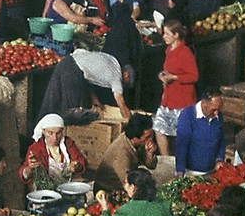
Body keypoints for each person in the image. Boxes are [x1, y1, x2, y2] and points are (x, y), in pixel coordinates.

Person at [152, 19, 197, 158]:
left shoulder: (185, 52)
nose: (163, 36)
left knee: (182, 136)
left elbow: (194, 76)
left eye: (166, 34)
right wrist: (164, 76)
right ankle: (166, 161)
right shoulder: (169, 50)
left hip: (182, 100)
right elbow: (169, 70)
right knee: (158, 128)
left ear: (176, 35)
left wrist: (174, 78)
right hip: (168, 98)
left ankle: (182, 164)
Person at [20, 113, 87, 190]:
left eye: (58, 133)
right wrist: (30, 168)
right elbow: (23, 174)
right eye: (50, 133)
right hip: (46, 190)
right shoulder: (36, 148)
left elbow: (80, 160)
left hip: (66, 186)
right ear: (44, 131)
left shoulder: (68, 143)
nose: (54, 137)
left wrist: (77, 166)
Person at [94, 115, 156, 194]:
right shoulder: (122, 152)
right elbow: (128, 185)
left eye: (151, 135)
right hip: (108, 189)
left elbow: (152, 165)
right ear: (135, 138)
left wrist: (149, 153)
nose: (151, 139)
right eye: (147, 137)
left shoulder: (140, 142)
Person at [175, 86, 225, 176]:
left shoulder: (218, 116)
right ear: (204, 103)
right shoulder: (187, 116)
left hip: (212, 171)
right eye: (214, 109)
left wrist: (219, 158)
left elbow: (221, 140)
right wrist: (180, 171)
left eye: (219, 109)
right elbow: (181, 145)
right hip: (191, 172)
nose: (217, 113)